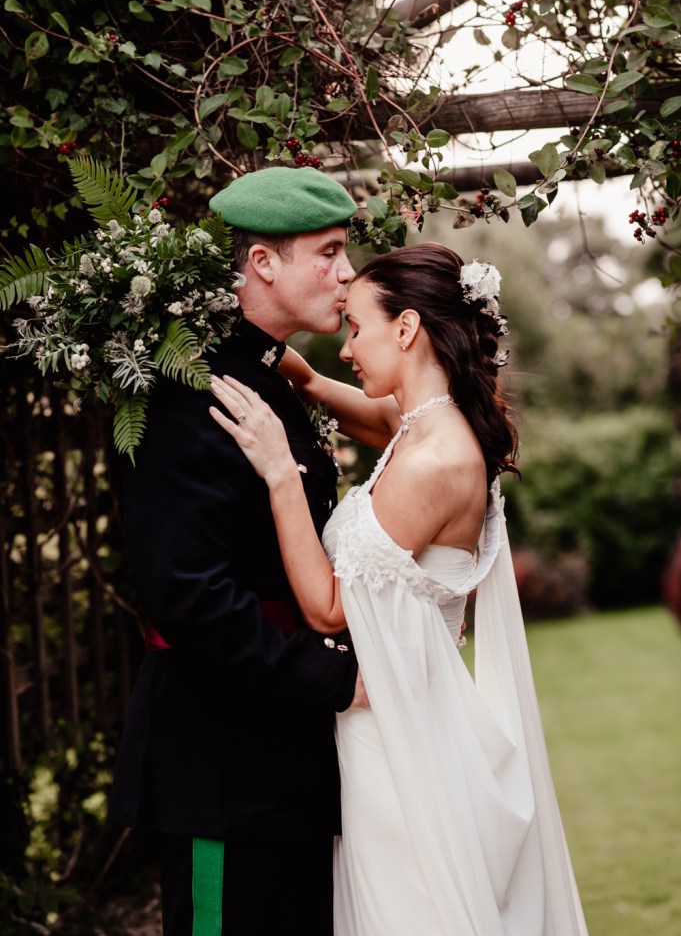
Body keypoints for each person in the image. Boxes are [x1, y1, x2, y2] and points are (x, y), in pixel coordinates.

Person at [210, 242, 589, 935]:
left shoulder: (434, 463)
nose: (347, 349)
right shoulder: (421, 425)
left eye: (357, 328)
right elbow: (339, 396)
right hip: (395, 715)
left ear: (407, 328)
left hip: (400, 742)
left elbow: (328, 604)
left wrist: (280, 473)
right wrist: (263, 347)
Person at [108, 166, 366, 936]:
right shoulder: (193, 390)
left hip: (282, 756)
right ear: (263, 264)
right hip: (221, 760)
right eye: (327, 252)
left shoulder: (267, 376)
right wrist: (324, 674)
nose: (346, 272)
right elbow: (183, 591)